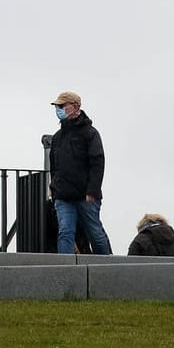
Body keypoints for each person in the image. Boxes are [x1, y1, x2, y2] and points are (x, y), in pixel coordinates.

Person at [47, 90, 112, 255]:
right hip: (63, 196)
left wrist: (92, 191)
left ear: (75, 107)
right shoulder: (58, 137)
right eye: (57, 106)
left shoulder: (90, 133)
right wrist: (54, 190)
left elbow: (98, 163)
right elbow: (55, 167)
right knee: (65, 232)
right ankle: (66, 270)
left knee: (95, 234)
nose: (58, 109)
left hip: (86, 196)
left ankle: (106, 266)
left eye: (62, 106)